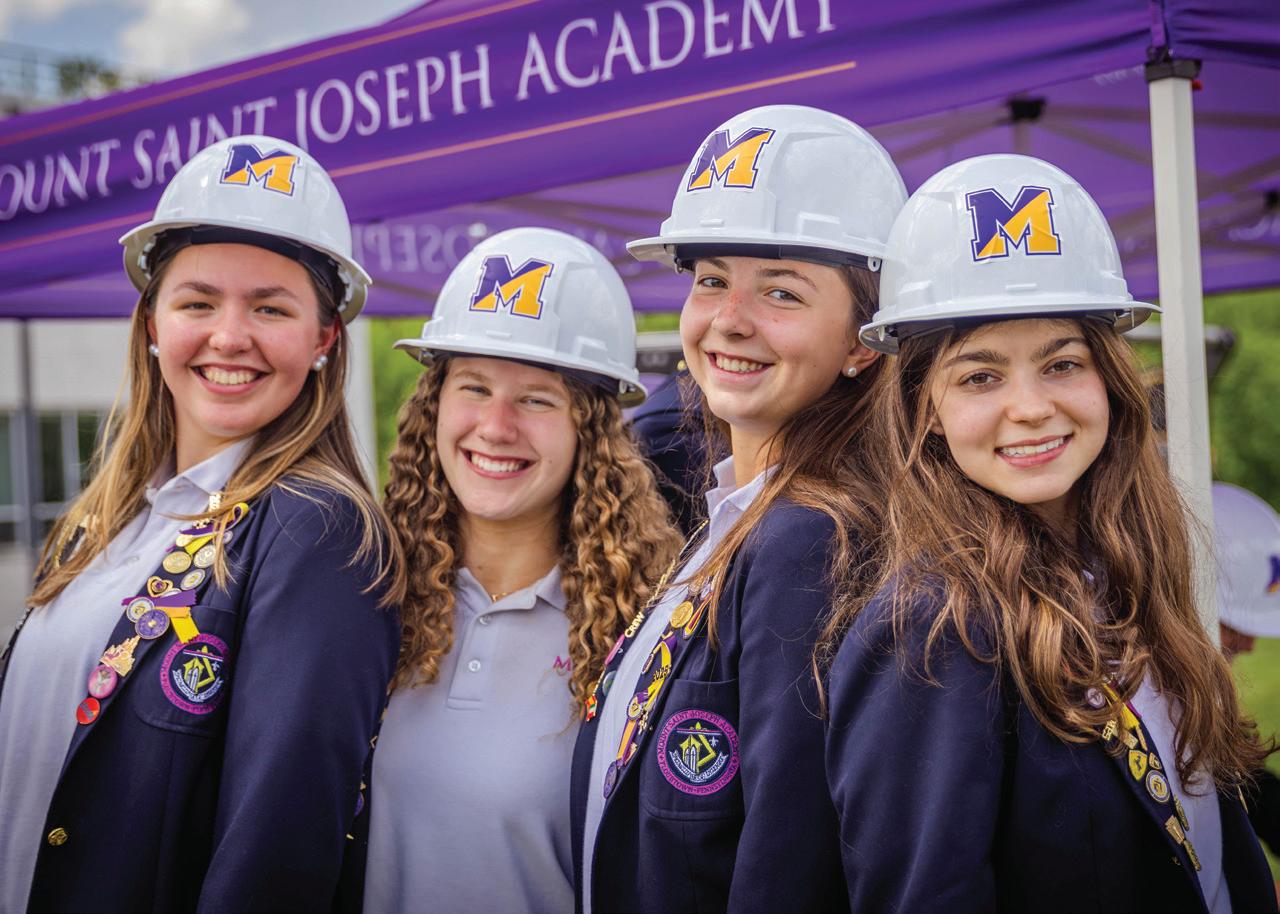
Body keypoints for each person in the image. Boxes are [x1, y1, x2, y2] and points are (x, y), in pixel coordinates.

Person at [826, 153, 1275, 913]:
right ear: (924, 409)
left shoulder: (1130, 570)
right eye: (980, 376)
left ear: (1110, 379)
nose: (1032, 407)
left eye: (1062, 364)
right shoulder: (932, 627)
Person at [0, 135, 403, 912]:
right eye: (197, 302)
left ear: (324, 338)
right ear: (152, 322)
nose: (228, 336)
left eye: (270, 308)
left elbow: (276, 853)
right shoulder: (108, 517)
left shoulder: (319, 533)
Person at [571, 104, 908, 913]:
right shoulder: (738, 510)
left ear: (862, 340)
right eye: (712, 279)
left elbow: (787, 864)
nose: (728, 319)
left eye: (781, 292)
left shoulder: (809, 538)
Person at [358, 227, 681, 914]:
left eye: (536, 399)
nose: (497, 426)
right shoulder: (366, 597)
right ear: (433, 406)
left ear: (590, 431)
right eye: (474, 388)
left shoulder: (642, 632)